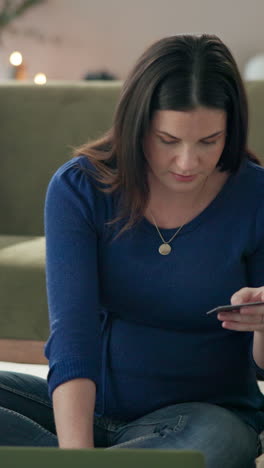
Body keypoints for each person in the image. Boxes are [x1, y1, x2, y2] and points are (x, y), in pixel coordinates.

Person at [0, 33, 264, 468]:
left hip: (201, 418)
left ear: (230, 130)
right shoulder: (81, 188)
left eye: (208, 141)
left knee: (213, 445)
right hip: (85, 409)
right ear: (137, 124)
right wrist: (76, 456)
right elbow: (73, 339)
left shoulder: (255, 196)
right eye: (167, 140)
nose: (187, 162)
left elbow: (261, 368)